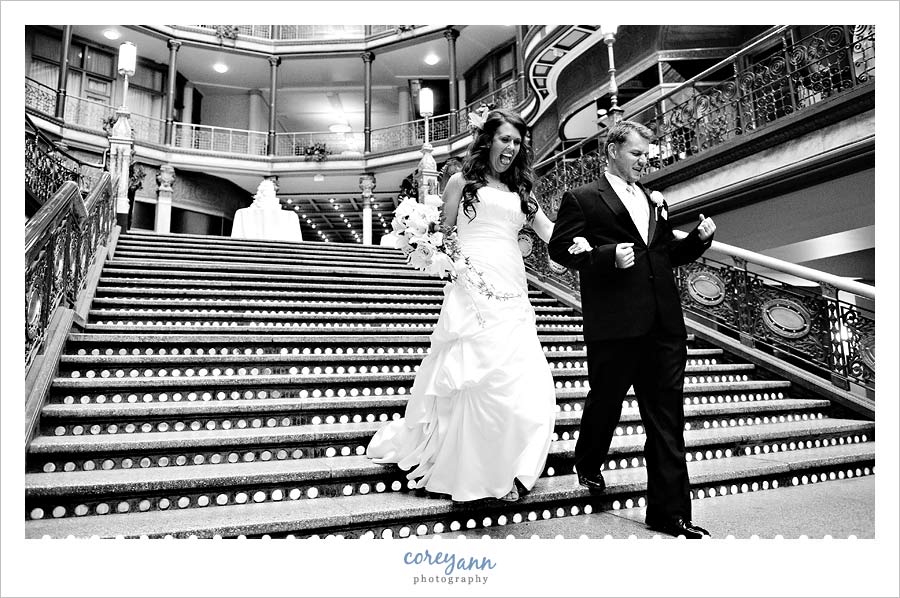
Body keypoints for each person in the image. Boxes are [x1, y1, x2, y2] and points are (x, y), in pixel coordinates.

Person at [366, 109, 590, 502]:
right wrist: (440, 252)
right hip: (473, 285)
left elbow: (549, 231)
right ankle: (473, 470)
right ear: (488, 140)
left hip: (512, 284)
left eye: (517, 142)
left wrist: (581, 240)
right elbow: (445, 234)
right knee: (474, 377)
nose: (511, 148)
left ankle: (512, 465)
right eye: (505, 139)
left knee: (522, 378)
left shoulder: (522, 189)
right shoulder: (460, 181)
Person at [547, 120, 717, 538]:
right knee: (606, 401)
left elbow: (662, 255)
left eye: (648, 153)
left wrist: (697, 241)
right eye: (638, 153)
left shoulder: (652, 199)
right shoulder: (583, 198)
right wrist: (605, 256)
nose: (646, 160)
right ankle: (588, 461)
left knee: (666, 419)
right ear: (612, 151)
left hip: (663, 325)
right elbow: (558, 248)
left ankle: (669, 512)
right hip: (616, 326)